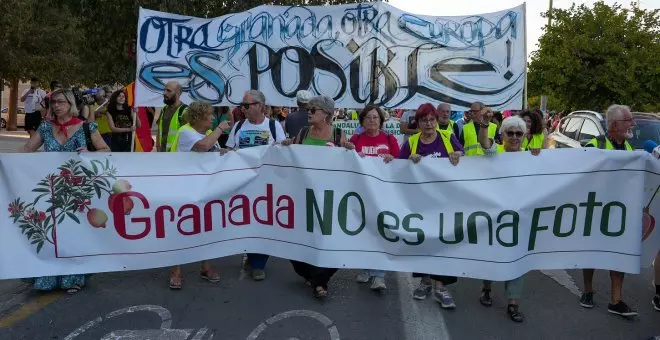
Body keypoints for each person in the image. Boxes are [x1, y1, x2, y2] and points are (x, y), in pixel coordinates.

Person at [18, 89, 109, 293]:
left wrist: (91, 154)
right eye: (52, 103)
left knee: (75, 233)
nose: (55, 106)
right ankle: (48, 275)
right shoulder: (45, 128)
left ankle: (74, 276)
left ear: (70, 104)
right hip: (50, 190)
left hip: (77, 191)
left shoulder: (86, 126)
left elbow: (105, 151)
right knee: (51, 233)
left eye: (60, 102)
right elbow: (26, 150)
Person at [473, 108, 539, 323]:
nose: (514, 138)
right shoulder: (496, 154)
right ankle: (486, 288)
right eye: (509, 133)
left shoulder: (532, 157)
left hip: (519, 218)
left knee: (516, 258)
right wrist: (484, 123)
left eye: (518, 134)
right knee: (493, 255)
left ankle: (513, 303)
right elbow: (484, 142)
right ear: (502, 136)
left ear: (525, 136)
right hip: (494, 216)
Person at [282, 95, 350, 298]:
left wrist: (351, 153)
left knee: (329, 240)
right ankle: (309, 274)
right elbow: (291, 159)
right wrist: (285, 147)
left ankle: (320, 281)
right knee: (298, 239)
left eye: (314, 109)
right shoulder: (302, 134)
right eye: (309, 109)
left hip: (329, 198)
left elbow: (349, 165)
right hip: (303, 196)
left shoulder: (338, 136)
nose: (309, 112)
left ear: (327, 114)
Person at [398, 103, 462, 309]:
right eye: (424, 120)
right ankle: (425, 282)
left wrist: (458, 156)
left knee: (443, 244)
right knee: (424, 243)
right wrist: (408, 160)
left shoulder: (448, 138)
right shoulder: (412, 142)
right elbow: (397, 170)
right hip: (421, 203)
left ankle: (441, 288)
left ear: (437, 121)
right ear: (418, 123)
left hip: (445, 202)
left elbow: (466, 161)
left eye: (432, 120)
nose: (428, 124)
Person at [580, 104, 636, 317]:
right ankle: (587, 290)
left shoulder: (631, 149)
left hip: (620, 211)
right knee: (591, 252)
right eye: (628, 120)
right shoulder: (595, 145)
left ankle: (616, 300)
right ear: (614, 125)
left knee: (619, 253)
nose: (633, 123)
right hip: (595, 209)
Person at [167, 102, 229, 289]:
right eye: (209, 115)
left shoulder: (209, 134)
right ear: (198, 117)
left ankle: (205, 266)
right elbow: (202, 147)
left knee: (205, 227)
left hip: (204, 188)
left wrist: (222, 152)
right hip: (183, 188)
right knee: (180, 229)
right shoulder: (186, 131)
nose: (213, 118)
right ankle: (175, 270)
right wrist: (219, 129)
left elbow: (212, 151)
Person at [225, 90, 285, 281]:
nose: (243, 109)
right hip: (243, 184)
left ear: (260, 106)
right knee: (247, 221)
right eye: (242, 105)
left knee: (264, 222)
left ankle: (259, 263)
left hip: (266, 185)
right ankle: (252, 255)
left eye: (247, 105)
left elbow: (282, 153)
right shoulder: (239, 126)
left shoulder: (274, 126)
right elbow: (230, 150)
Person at [350, 105, 400, 291]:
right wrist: (354, 154)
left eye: (375, 118)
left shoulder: (389, 138)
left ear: (381, 121)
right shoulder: (356, 138)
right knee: (364, 232)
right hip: (362, 193)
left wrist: (391, 158)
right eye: (368, 118)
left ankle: (379, 275)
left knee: (381, 232)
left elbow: (400, 161)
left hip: (383, 194)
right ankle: (366, 269)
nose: (372, 121)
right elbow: (346, 158)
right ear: (362, 121)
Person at [157, 81, 188, 152]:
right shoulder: (164, 109)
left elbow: (189, 136)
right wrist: (158, 147)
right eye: (164, 90)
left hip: (177, 156)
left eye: (168, 91)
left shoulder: (185, 111)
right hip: (163, 153)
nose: (164, 93)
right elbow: (159, 130)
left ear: (177, 93)